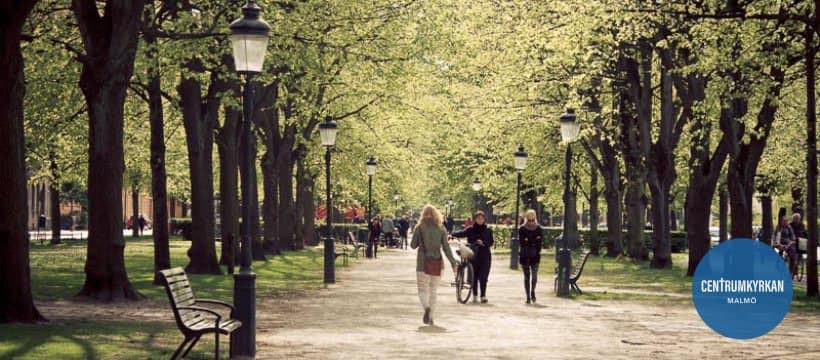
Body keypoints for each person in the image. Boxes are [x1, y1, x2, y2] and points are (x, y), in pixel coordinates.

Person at [411, 204, 457, 326]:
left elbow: (413, 245)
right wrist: (453, 262)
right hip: (437, 262)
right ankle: (431, 318)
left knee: (422, 289)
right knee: (433, 291)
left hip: (422, 263)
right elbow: (446, 248)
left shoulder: (419, 227)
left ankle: (426, 307)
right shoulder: (441, 228)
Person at [451, 211, 494, 303]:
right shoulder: (470, 229)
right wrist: (452, 235)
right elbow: (461, 233)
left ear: (484, 219)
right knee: (474, 276)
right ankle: (474, 294)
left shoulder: (488, 230)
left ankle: (483, 295)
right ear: (475, 219)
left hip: (485, 255)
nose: (480, 220)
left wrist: (484, 243)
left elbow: (491, 242)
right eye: (478, 218)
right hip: (474, 255)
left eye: (482, 218)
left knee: (483, 276)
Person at [518, 209, 543, 304]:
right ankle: (528, 296)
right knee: (527, 276)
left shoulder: (539, 228)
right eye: (529, 220)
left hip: (535, 255)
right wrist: (533, 241)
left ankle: (532, 291)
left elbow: (539, 243)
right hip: (525, 255)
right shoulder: (522, 229)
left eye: (533, 220)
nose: (531, 222)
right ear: (526, 219)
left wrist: (529, 241)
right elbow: (522, 242)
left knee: (535, 276)